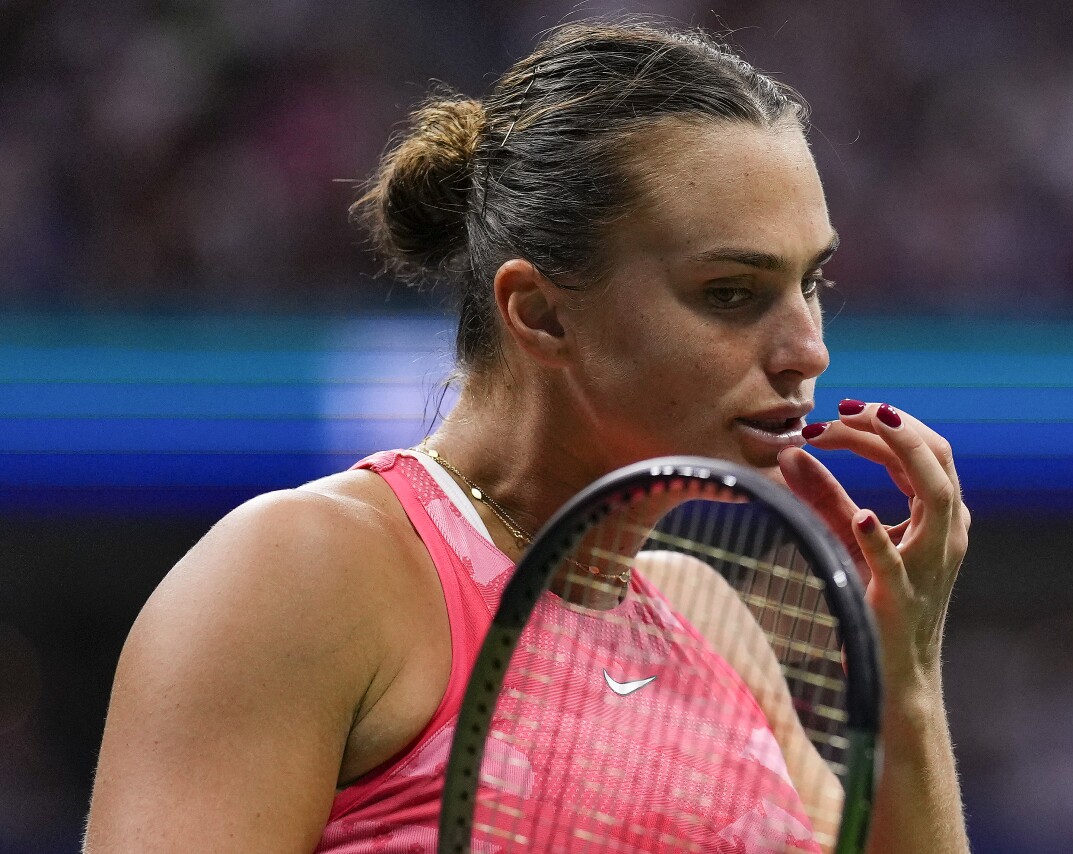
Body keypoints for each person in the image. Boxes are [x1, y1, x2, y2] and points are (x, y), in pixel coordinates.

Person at [84, 20, 970, 853]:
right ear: (539, 313)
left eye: (810, 282)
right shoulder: (305, 573)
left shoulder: (716, 631)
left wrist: (904, 679)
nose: (806, 347)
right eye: (731, 293)